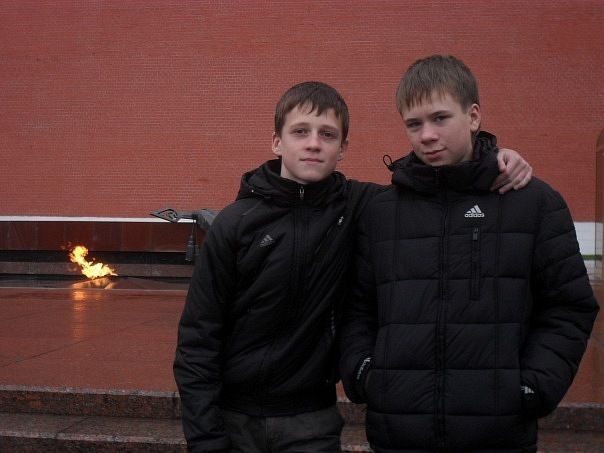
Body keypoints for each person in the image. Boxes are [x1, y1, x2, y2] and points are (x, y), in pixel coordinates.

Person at [173, 80, 533, 452]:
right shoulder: (236, 224)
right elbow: (199, 338)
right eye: (300, 131)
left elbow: (431, 185)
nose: (314, 143)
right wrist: (205, 436)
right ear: (277, 142)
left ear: (343, 148)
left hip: (312, 420)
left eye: (327, 134)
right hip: (233, 416)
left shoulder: (361, 205)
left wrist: (492, 156)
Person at [338, 55, 599, 452]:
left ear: (473, 116)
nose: (427, 135)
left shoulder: (533, 203)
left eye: (440, 118)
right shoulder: (381, 212)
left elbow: (569, 307)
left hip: (498, 435)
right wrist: (367, 376)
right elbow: (357, 308)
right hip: (399, 433)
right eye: (414, 124)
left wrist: (531, 388)